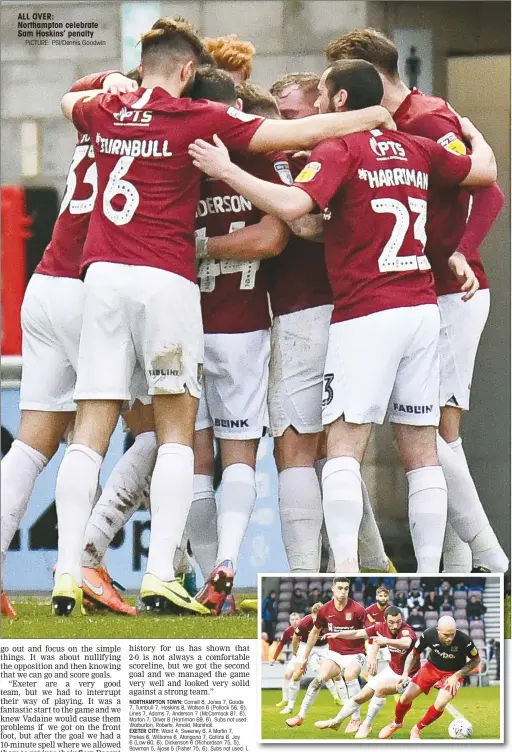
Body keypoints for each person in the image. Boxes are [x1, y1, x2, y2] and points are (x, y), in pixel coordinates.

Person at [56, 20, 394, 617]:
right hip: (189, 296)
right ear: (190, 74)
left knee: (98, 430)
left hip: (102, 276)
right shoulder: (208, 128)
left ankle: (70, 565)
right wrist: (367, 116)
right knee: (186, 438)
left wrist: (112, 81)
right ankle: (177, 571)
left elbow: (67, 101)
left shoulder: (107, 111)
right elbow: (289, 187)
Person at [188, 59, 496, 573]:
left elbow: (294, 210)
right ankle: (425, 575)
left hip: (363, 311)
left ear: (339, 103)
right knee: (421, 448)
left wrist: (228, 171)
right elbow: (483, 174)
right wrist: (476, 135)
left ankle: (344, 573)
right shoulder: (416, 147)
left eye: (324, 98)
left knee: (340, 446)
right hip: (420, 307)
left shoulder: (339, 148)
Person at [325, 28, 508, 574]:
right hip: (417, 293)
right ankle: (456, 568)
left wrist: (461, 252)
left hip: (451, 291)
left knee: (436, 437)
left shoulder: (426, 120)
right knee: (429, 438)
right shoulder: (386, 128)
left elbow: (489, 188)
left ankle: (490, 559)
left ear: (367, 77)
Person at [0, 68, 144, 619]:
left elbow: (70, 99)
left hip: (46, 284)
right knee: (161, 430)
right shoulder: (147, 132)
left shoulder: (93, 129)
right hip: (91, 289)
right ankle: (81, 560)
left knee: (31, 444)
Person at [315, 606, 418, 738]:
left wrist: (385, 641)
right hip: (392, 670)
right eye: (391, 622)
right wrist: (338, 635)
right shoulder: (380, 627)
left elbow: (406, 643)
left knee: (381, 690)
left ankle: (366, 725)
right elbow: (358, 633)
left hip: (408, 676)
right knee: (360, 696)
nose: (395, 625)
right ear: (385, 620)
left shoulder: (406, 630)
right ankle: (336, 721)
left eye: (398, 621)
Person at [285, 577, 368, 733]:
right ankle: (300, 715)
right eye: (340, 588)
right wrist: (303, 659)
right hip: (335, 654)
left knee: (350, 675)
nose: (343, 592)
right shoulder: (325, 610)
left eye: (346, 588)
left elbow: (370, 631)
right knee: (318, 679)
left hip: (356, 653)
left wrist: (370, 655)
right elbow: (314, 633)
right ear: (333, 589)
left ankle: (356, 719)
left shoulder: (358, 609)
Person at [380, 615, 480, 739]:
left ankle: (416, 729)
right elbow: (414, 653)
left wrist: (457, 675)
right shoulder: (428, 635)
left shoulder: (464, 640)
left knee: (441, 703)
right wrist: (405, 673)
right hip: (431, 667)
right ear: (438, 630)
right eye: (446, 635)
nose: (449, 639)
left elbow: (476, 660)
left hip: (453, 673)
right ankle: (396, 723)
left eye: (452, 634)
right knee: (406, 697)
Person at [280, 602, 342, 716]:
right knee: (296, 674)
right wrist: (295, 652)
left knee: (336, 674)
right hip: (304, 645)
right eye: (316, 617)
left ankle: (343, 700)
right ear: (312, 614)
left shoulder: (330, 621)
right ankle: (290, 706)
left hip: (323, 647)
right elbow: (295, 638)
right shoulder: (305, 622)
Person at [270, 612, 301, 709]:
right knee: (287, 675)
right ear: (289, 621)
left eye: (296, 619)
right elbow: (280, 645)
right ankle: (285, 699)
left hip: (309, 655)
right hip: (297, 656)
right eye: (292, 619)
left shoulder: (305, 629)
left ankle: (336, 696)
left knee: (296, 676)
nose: (294, 621)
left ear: (300, 620)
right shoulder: (288, 631)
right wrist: (274, 658)